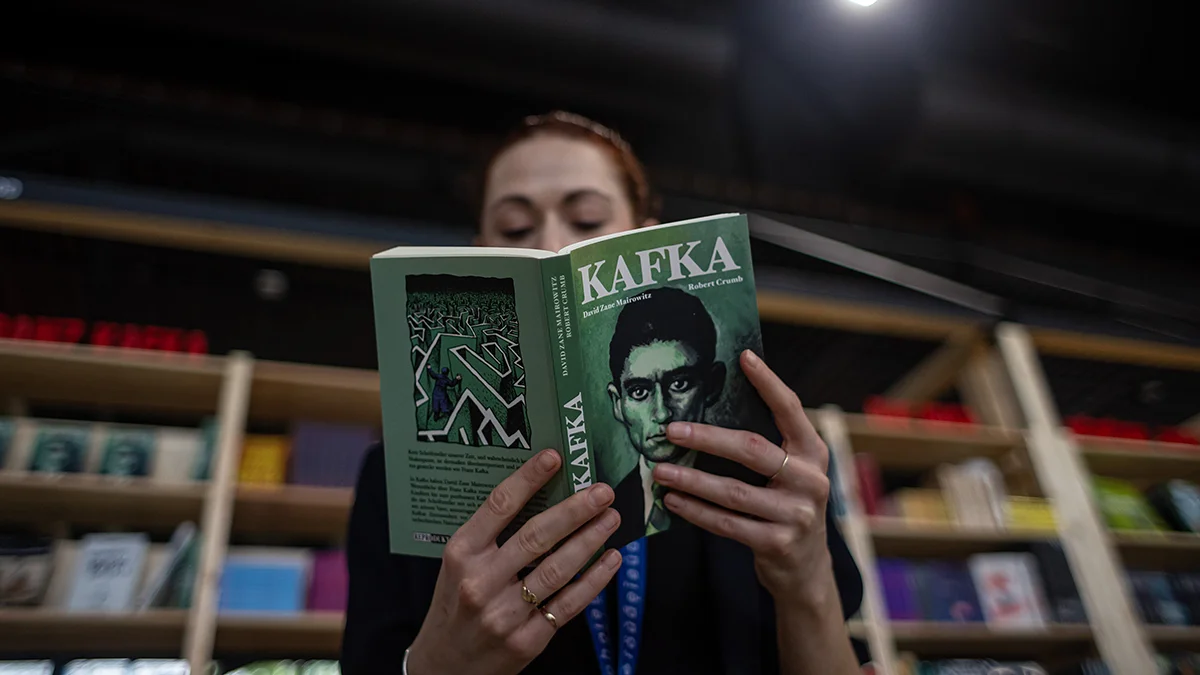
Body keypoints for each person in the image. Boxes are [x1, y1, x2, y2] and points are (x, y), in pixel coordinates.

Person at [342, 111, 865, 675]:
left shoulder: (756, 471)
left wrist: (808, 582)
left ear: (647, 236)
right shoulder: (397, 480)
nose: (550, 244)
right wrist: (435, 665)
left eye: (587, 219)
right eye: (515, 230)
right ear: (480, 251)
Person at [605, 287, 726, 542]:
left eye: (679, 384)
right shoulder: (609, 507)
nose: (661, 412)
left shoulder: (757, 486)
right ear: (617, 404)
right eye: (639, 391)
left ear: (713, 386)